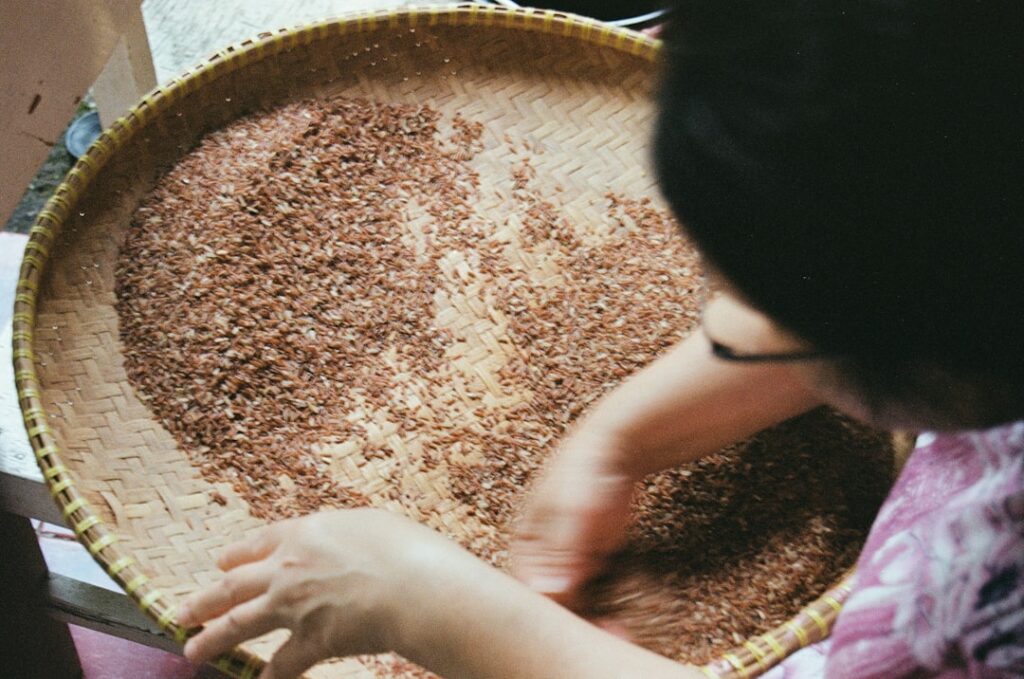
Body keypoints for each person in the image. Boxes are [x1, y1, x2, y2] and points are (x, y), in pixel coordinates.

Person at [176, 2, 1024, 677]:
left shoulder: (986, 606)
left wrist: (429, 601)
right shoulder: (974, 247)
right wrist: (615, 442)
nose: (721, 320)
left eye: (748, 306)